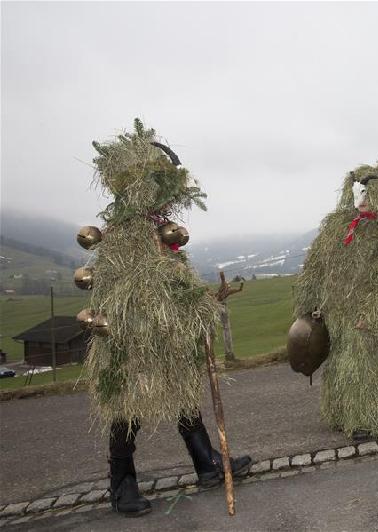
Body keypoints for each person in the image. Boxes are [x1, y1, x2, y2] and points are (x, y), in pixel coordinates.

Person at [83, 119, 251, 517]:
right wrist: (186, 301)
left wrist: (196, 303)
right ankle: (121, 486)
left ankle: (207, 465)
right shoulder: (126, 234)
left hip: (167, 337)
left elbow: (174, 281)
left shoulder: (160, 230)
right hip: (131, 338)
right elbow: (142, 287)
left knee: (184, 398)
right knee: (127, 409)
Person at [293, 160, 378, 441]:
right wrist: (308, 306)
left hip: (362, 312)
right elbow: (315, 267)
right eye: (361, 193)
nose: (362, 200)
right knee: (336, 364)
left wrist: (373, 314)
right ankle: (342, 412)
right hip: (333, 311)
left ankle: (369, 418)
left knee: (360, 365)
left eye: (369, 195)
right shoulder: (337, 226)